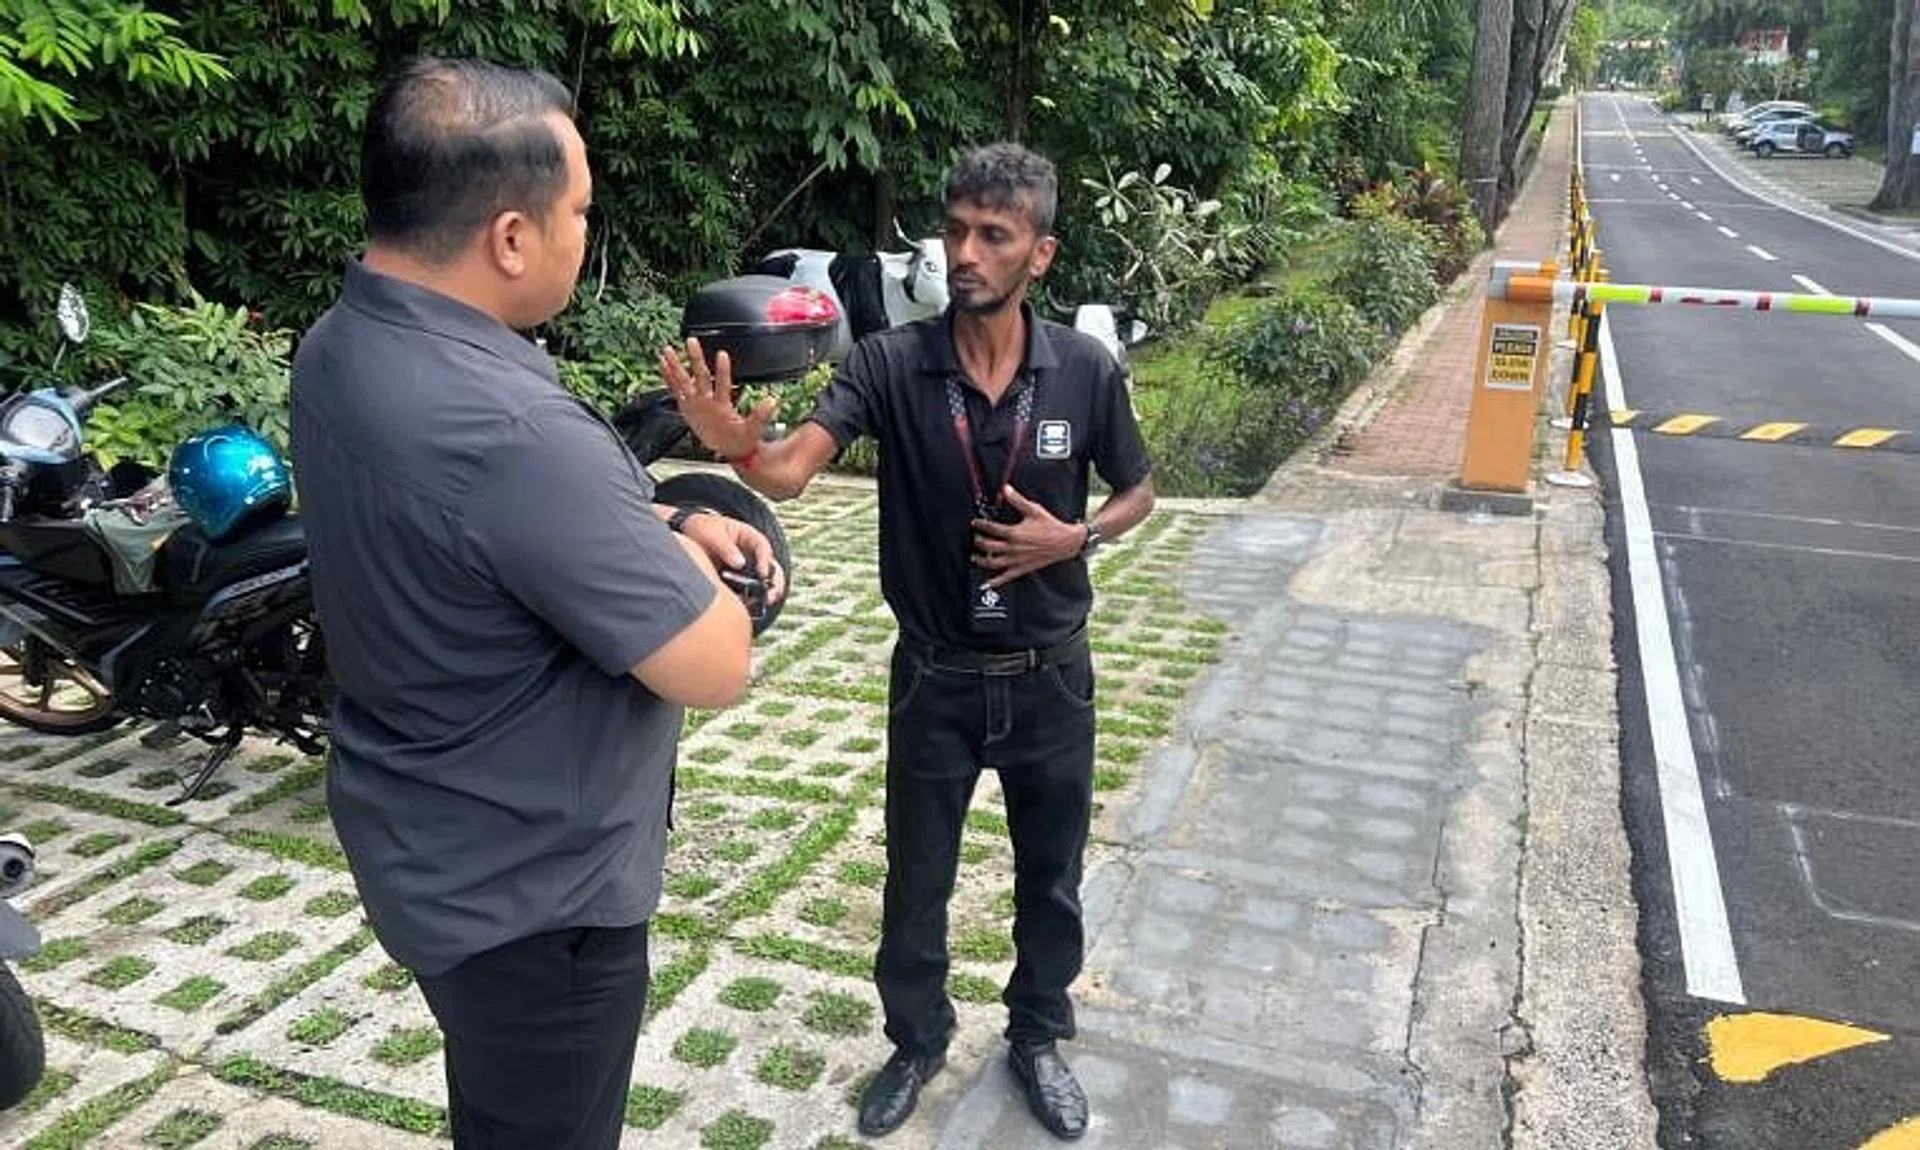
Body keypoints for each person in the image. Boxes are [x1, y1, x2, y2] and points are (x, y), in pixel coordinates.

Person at [289, 57, 781, 1150]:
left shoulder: (340, 347)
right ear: (511, 237)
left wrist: (653, 524)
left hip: (426, 838)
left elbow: (477, 539)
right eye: (579, 213)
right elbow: (712, 662)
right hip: (537, 900)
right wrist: (707, 560)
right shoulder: (511, 428)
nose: (580, 234)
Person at [661, 142, 1156, 1142]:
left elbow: (1139, 488)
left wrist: (1078, 535)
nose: (965, 253)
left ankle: (1036, 1033)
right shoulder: (890, 364)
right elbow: (794, 469)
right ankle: (917, 1038)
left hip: (1052, 674)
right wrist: (739, 449)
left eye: (993, 236)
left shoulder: (1085, 369)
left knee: (1049, 873)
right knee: (917, 875)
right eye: (957, 230)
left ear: (1040, 254)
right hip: (932, 676)